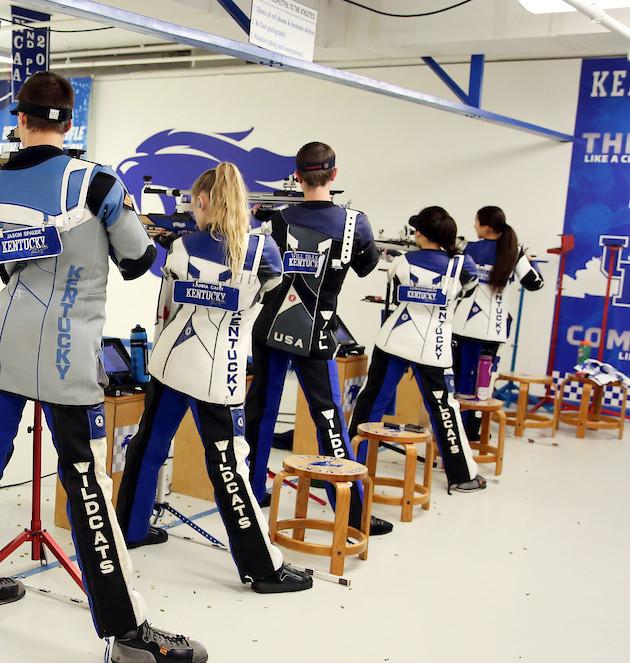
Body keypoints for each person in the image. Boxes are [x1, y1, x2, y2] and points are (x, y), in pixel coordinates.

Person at [0, 72, 206, 663]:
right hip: (70, 355)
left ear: (19, 118)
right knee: (85, 484)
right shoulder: (98, 184)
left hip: (5, 345)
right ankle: (125, 632)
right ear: (70, 123)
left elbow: (4, 260)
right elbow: (139, 260)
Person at [114, 163, 311, 593]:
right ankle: (262, 568)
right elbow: (268, 295)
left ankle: (130, 529)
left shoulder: (182, 247)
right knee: (229, 468)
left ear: (201, 203)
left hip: (170, 362)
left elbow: (168, 292)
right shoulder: (265, 253)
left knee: (147, 447)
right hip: (219, 373)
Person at [244, 142, 391, 535]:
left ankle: (251, 492)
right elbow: (366, 267)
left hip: (271, 328)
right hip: (316, 333)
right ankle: (354, 511)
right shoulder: (354, 223)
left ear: (297, 175)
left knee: (260, 415)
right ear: (334, 175)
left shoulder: (276, 220)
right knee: (330, 422)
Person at [349, 206, 486, 493]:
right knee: (444, 410)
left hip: (394, 339)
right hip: (434, 347)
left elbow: (395, 286)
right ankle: (462, 475)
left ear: (420, 234)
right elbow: (468, 290)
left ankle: (348, 466)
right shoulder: (464, 266)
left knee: (369, 403)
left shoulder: (402, 262)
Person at [452, 206, 545, 438]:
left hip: (462, 325)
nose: (474, 227)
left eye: (476, 222)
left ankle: (456, 431)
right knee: (483, 384)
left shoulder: (467, 249)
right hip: (494, 330)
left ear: (485, 226)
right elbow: (536, 284)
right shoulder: (515, 252)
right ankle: (475, 432)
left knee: (460, 381)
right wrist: (529, 261)